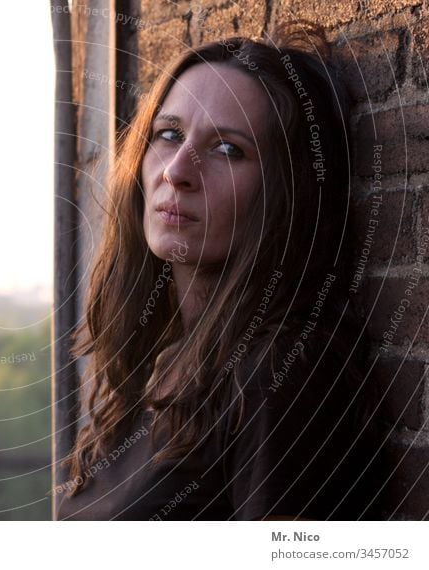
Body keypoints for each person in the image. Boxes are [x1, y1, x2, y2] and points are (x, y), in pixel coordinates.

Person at [54, 20, 387, 521]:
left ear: (284, 193)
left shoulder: (278, 375)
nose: (177, 170)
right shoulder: (152, 367)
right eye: (168, 135)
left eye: (228, 149)